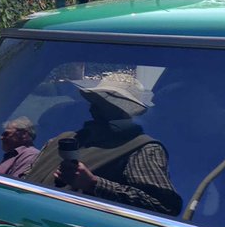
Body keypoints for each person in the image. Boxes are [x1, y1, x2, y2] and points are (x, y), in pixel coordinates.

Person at [29, 74, 183, 216]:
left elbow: (164, 206)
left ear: (124, 109)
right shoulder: (63, 138)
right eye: (97, 98)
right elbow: (27, 174)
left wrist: (93, 183)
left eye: (109, 99)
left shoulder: (142, 148)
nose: (95, 105)